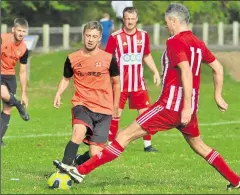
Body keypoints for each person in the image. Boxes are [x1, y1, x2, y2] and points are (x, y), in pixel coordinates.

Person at [53, 3, 240, 190]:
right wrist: (217, 96)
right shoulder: (198, 43)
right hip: (187, 110)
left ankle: (80, 171)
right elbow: (218, 68)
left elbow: (185, 71)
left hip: (169, 107)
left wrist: (186, 106)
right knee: (200, 146)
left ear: (174, 21)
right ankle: (235, 180)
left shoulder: (175, 41)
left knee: (124, 136)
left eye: (167, 22)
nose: (167, 26)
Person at [52, 21, 120, 169]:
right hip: (82, 104)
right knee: (78, 132)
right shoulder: (72, 58)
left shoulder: (109, 59)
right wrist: (58, 93)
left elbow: (116, 82)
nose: (90, 39)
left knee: (96, 153)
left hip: (104, 108)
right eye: (88, 35)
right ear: (83, 36)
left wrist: (116, 105)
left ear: (100, 38)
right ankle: (64, 168)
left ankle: (76, 161)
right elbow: (66, 78)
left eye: (94, 36)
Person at [105, 7, 161, 152]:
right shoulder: (115, 37)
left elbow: (146, 55)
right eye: (127, 19)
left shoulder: (143, 36)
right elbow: (107, 58)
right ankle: (111, 145)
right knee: (116, 114)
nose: (130, 21)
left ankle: (148, 146)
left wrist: (155, 71)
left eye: (132, 19)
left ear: (137, 19)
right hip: (120, 85)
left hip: (138, 84)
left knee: (145, 115)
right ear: (123, 19)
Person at [0, 18, 30, 146]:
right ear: (13, 30)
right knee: (4, 95)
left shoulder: (24, 49)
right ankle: (18, 105)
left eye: (24, 31)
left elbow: (22, 72)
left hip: (10, 77)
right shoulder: (2, 39)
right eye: (19, 30)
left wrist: (24, 93)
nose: (21, 33)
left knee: (7, 108)